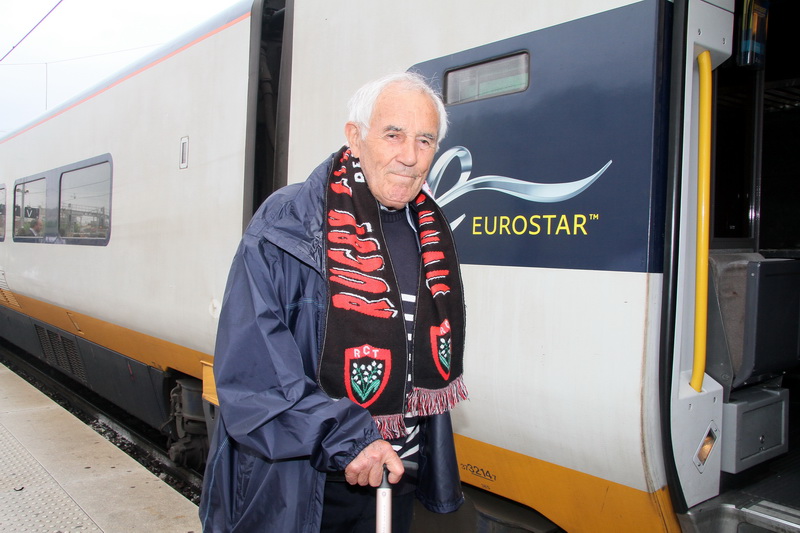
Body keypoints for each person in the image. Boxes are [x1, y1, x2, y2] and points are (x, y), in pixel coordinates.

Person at [199, 72, 468, 533]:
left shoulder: (431, 231)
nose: (410, 156)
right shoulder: (288, 224)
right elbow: (252, 376)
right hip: (303, 483)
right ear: (355, 137)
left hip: (394, 480)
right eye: (393, 134)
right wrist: (350, 438)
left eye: (425, 140)